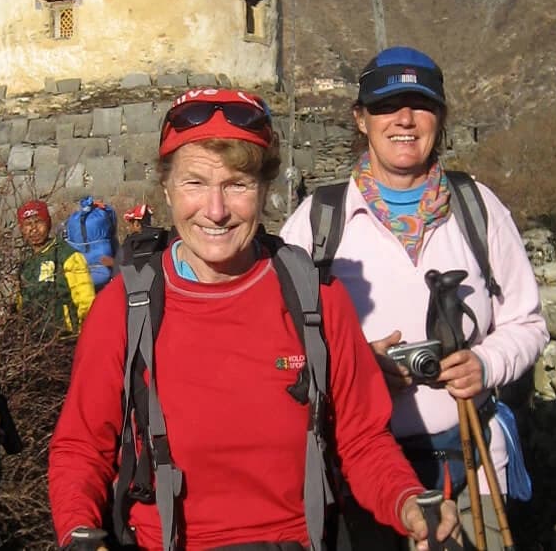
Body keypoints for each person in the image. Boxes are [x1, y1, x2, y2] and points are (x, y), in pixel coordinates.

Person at [49, 87, 460, 550]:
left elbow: (363, 440)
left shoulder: (315, 299)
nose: (216, 210)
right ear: (165, 188)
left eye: (237, 184)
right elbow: (83, 448)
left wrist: (409, 503)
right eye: (195, 183)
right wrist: (79, 533)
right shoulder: (128, 306)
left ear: (265, 189)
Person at [280, 47, 549, 550]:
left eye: (420, 105)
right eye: (386, 106)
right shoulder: (318, 223)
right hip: (358, 476)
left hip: (475, 468)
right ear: (361, 119)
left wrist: (486, 364)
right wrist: (356, 371)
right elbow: (282, 345)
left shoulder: (478, 208)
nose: (404, 119)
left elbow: (528, 323)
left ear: (440, 118)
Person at [17, 199, 96, 332]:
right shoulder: (25, 263)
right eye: (28, 224)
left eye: (38, 222)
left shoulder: (67, 255)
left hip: (66, 336)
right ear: (22, 229)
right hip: (33, 339)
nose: (34, 229)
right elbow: (21, 302)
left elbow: (86, 299)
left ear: (48, 224)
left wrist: (87, 332)